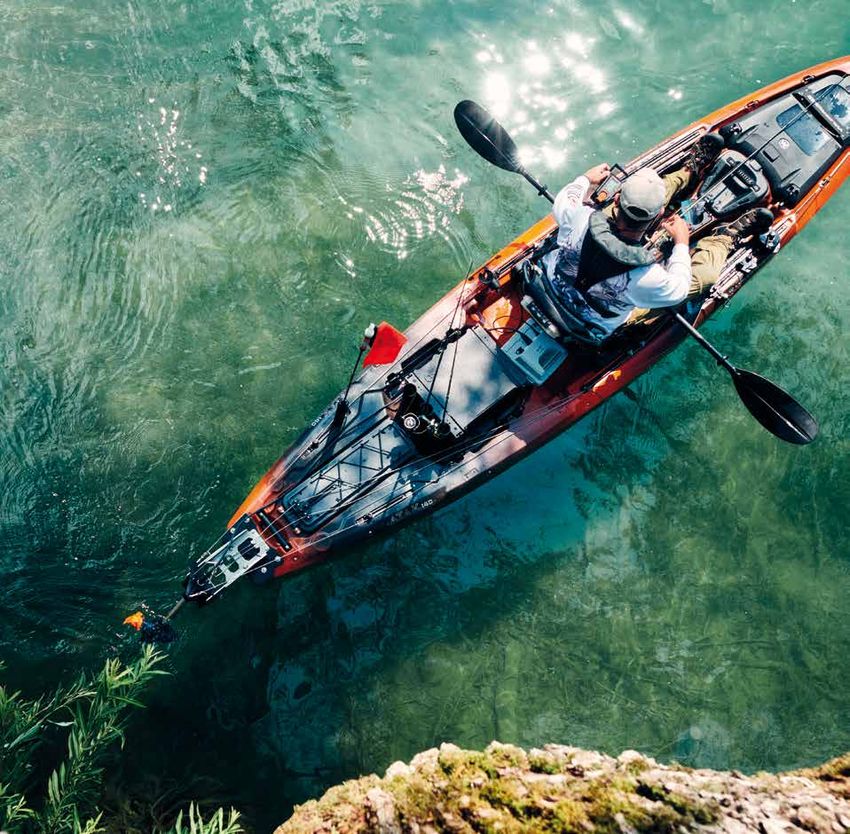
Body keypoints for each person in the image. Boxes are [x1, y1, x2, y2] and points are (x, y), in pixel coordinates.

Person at [539, 134, 773, 342]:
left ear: (617, 199)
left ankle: (688, 173)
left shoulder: (579, 217)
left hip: (547, 288)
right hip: (589, 329)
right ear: (661, 213)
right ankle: (722, 238)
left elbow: (566, 197)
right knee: (706, 276)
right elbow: (680, 288)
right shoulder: (647, 276)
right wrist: (681, 242)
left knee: (627, 204)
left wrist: (585, 179)